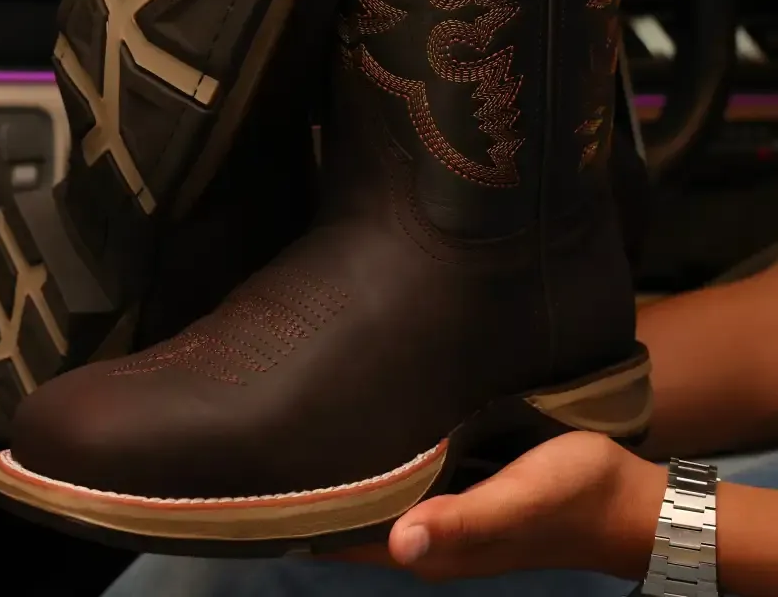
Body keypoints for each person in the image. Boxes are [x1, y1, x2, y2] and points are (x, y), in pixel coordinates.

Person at [102, 256, 778, 597]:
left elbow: (628, 515)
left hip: (691, 534)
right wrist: (486, 400)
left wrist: (642, 520)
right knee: (224, 563)